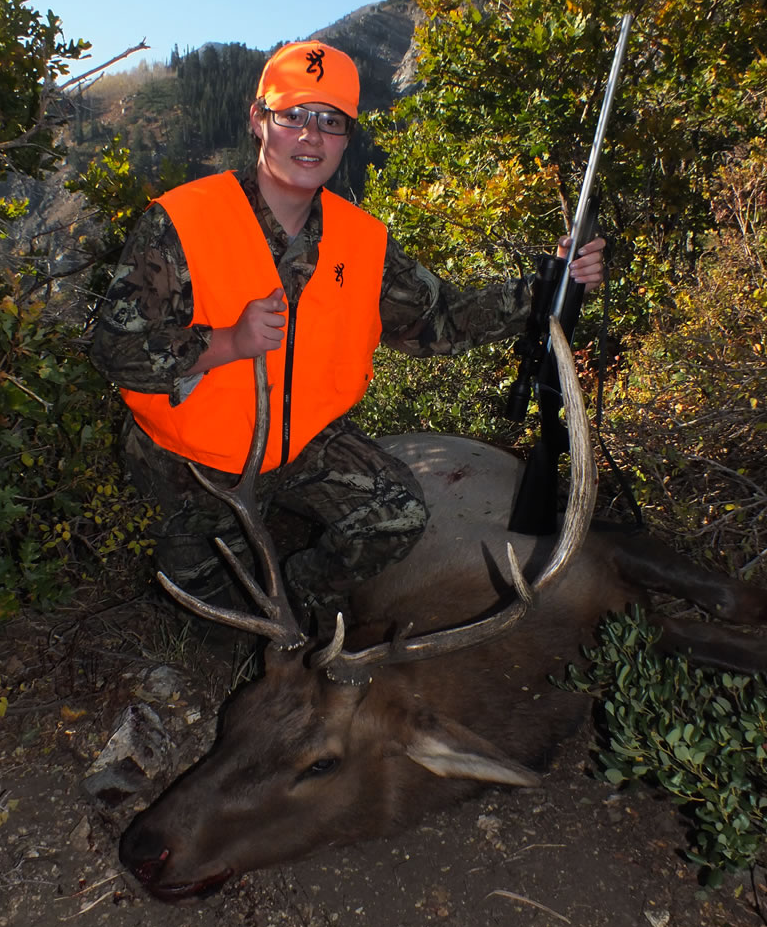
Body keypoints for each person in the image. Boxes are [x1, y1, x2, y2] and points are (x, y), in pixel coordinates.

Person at [90, 39, 605, 626]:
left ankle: (303, 588)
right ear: (259, 120)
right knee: (209, 617)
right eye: (294, 115)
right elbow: (115, 349)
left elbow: (433, 323)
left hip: (302, 442)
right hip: (193, 463)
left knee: (396, 514)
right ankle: (219, 559)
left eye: (330, 121)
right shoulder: (182, 221)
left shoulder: (362, 242)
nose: (311, 135)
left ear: (345, 138)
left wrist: (547, 288)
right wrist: (225, 343)